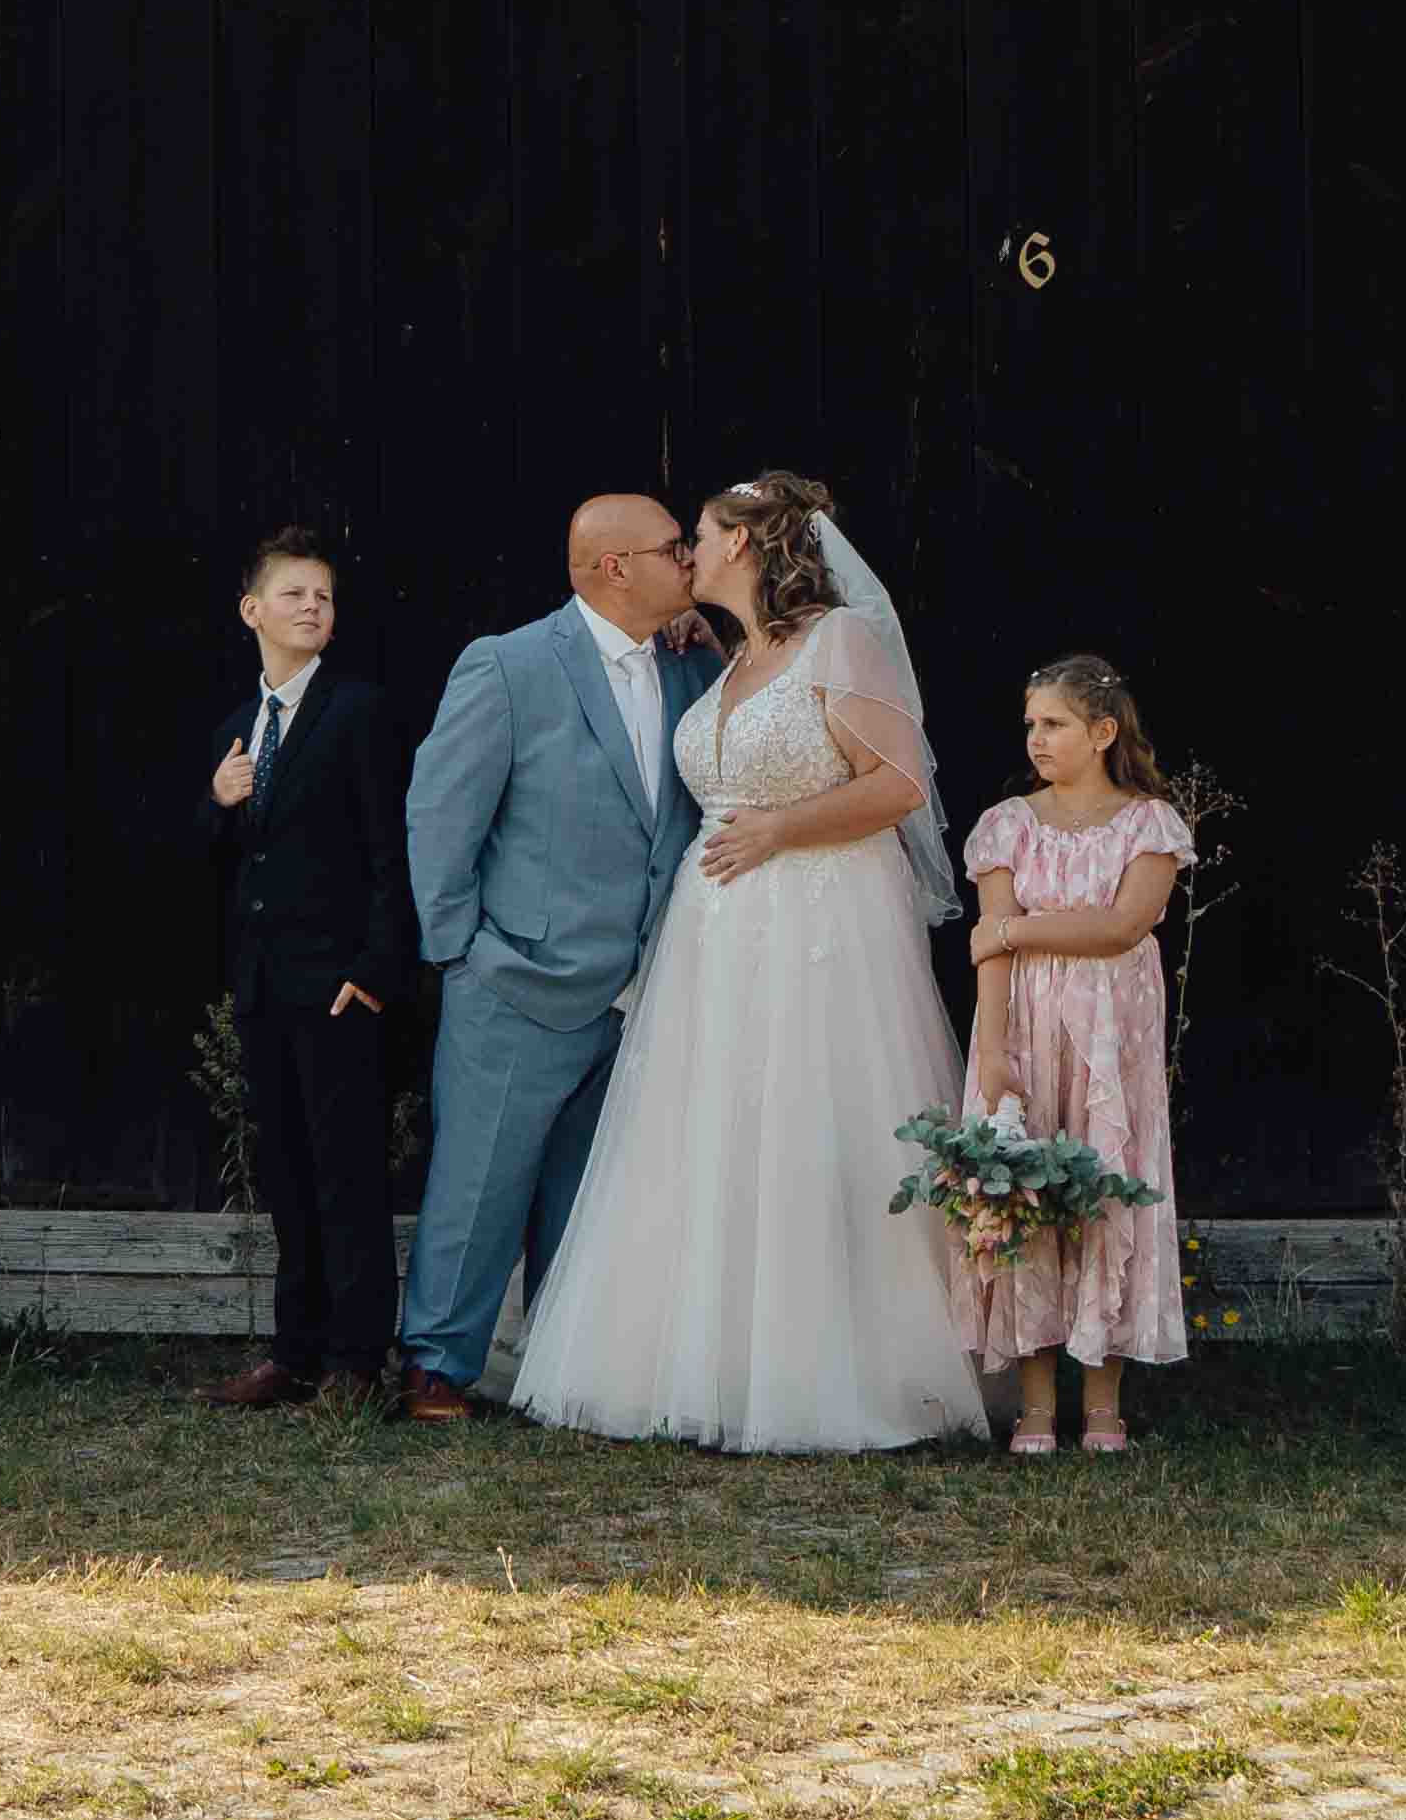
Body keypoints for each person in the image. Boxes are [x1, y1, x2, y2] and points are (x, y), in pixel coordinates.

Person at [509, 473, 995, 1455]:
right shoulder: (731, 654)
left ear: (741, 544)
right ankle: (705, 1361)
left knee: (813, 1127)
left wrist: (780, 827)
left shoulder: (839, 641)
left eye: (698, 533)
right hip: (715, 938)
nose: (686, 550)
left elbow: (899, 783)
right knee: (709, 1135)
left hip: (821, 923)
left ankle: (829, 1370)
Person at [392, 489, 711, 1423]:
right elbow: (439, 812)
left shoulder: (691, 666)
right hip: (516, 979)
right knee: (479, 1183)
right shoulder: (509, 665)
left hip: (645, 986)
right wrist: (462, 952)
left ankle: (565, 1369)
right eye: (673, 547)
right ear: (615, 568)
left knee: (596, 1193)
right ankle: (436, 1365)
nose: (689, 558)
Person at [958, 654, 1194, 1459]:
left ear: (1102, 732)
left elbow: (1123, 926)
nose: (1036, 738)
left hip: (1109, 1036)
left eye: (1054, 724)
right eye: (1030, 724)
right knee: (1023, 1195)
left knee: (1102, 1192)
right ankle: (1034, 1403)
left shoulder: (1148, 825)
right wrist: (994, 1050)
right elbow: (988, 951)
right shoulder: (1007, 825)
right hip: (1024, 1026)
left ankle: (1101, 1400)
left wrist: (1014, 928)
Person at [202, 527, 414, 1407]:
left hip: (338, 989)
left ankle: (356, 1361)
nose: (312, 607)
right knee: (286, 1172)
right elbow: (232, 862)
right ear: (252, 610)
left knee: (347, 1173)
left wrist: (375, 969)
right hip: (264, 986)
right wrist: (216, 803)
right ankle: (293, 1353)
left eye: (323, 596)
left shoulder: (357, 710)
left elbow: (392, 850)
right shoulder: (238, 729)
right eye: (294, 593)